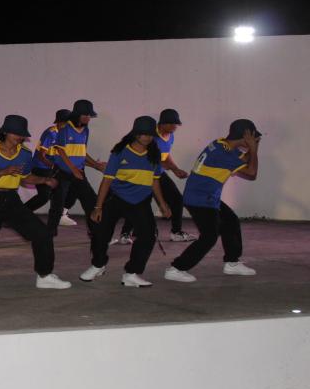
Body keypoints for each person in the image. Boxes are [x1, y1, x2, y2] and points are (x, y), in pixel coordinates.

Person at [0, 115, 72, 292]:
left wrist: (44, 180)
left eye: (22, 134)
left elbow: (25, 176)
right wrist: (3, 171)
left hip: (12, 200)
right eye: (16, 134)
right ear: (5, 132)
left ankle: (44, 275)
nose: (20, 138)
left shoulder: (25, 153)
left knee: (42, 234)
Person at [78, 116, 173, 287]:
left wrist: (163, 204)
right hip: (117, 198)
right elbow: (107, 180)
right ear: (135, 133)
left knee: (147, 236)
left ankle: (132, 273)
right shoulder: (120, 151)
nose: (147, 137)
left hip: (141, 201)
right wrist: (98, 207)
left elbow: (155, 180)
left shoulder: (154, 154)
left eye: (150, 134)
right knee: (100, 232)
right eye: (143, 134)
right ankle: (98, 265)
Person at [164, 120, 261, 282]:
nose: (254, 141)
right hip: (200, 199)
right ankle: (176, 268)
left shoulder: (220, 145)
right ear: (245, 136)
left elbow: (244, 162)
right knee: (209, 236)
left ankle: (232, 263)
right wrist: (254, 149)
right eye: (252, 138)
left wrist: (251, 149)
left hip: (206, 196)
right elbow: (251, 173)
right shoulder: (225, 154)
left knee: (231, 222)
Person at [114, 108, 196, 245]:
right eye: (171, 124)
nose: (174, 127)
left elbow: (165, 155)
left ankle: (176, 232)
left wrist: (175, 168)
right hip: (143, 173)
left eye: (176, 124)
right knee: (139, 202)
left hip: (158, 173)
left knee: (177, 200)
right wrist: (172, 168)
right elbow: (153, 159)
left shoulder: (170, 136)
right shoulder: (151, 136)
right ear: (162, 123)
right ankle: (125, 233)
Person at [46, 99, 107, 237]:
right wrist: (73, 169)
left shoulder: (86, 130)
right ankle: (49, 233)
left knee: (91, 201)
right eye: (84, 115)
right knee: (57, 205)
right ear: (76, 115)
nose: (88, 118)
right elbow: (61, 152)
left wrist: (96, 165)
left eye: (89, 115)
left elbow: (82, 152)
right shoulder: (65, 130)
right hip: (63, 172)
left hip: (79, 172)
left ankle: (95, 231)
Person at [24, 109, 78, 226]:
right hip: (41, 168)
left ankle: (61, 214)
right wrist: (54, 166)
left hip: (54, 169)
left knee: (74, 187)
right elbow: (41, 155)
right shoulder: (51, 133)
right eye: (66, 123)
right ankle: (21, 214)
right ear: (58, 122)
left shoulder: (68, 135)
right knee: (44, 196)